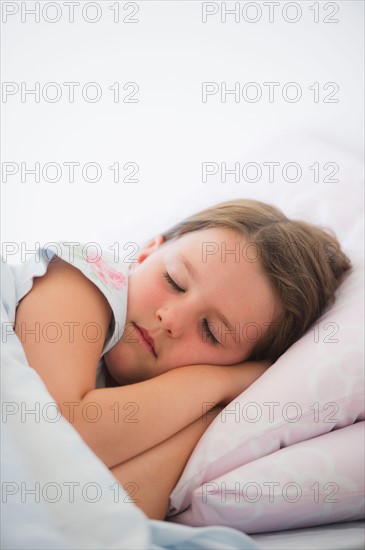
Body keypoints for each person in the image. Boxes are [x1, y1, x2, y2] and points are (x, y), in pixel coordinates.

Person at [9, 199, 352, 521]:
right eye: (174, 281)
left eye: (212, 331)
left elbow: (93, 517)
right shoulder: (82, 278)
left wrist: (213, 412)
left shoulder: (190, 414)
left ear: (238, 361)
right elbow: (52, 436)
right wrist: (219, 383)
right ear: (146, 253)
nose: (170, 319)